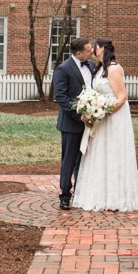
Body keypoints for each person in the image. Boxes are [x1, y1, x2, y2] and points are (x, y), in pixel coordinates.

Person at [72, 38, 138, 212]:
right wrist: (92, 109)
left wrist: (104, 111)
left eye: (94, 46)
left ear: (102, 48)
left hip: (114, 118)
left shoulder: (114, 68)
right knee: (100, 154)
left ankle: (116, 197)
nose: (91, 49)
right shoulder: (99, 68)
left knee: (113, 153)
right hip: (101, 118)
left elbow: (122, 97)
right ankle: (100, 194)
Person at [53, 37, 94, 210]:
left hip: (91, 122)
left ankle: (80, 193)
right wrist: (79, 115)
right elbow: (61, 97)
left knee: (84, 160)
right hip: (71, 123)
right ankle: (64, 196)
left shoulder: (91, 66)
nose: (91, 52)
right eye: (89, 50)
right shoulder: (63, 69)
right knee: (69, 161)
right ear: (79, 53)